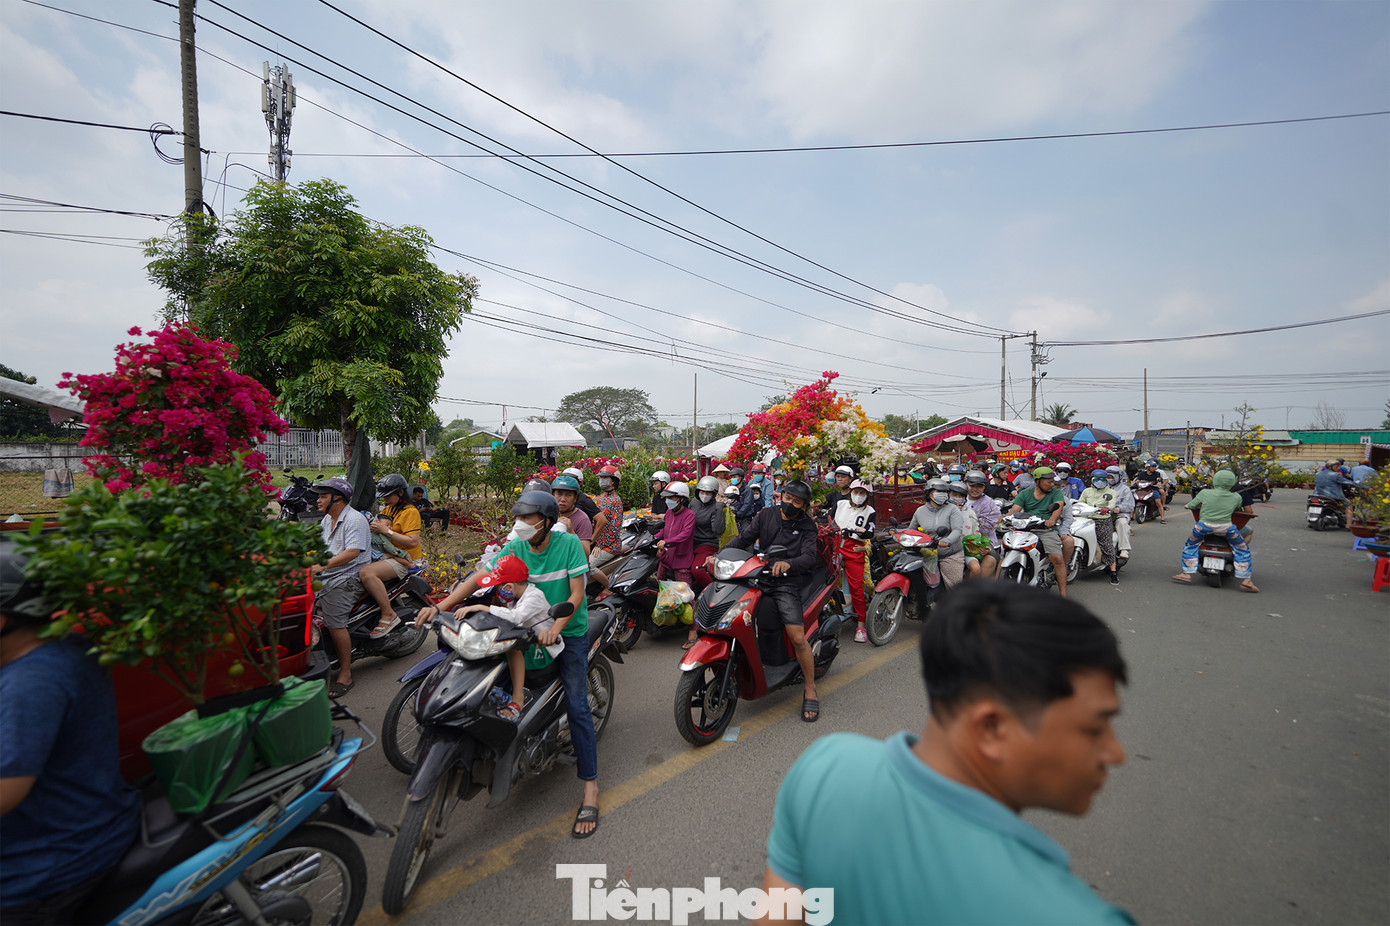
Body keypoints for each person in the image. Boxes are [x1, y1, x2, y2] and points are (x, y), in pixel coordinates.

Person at [758, 582, 1131, 926]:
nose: (1116, 753)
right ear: (991, 728)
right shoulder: (1072, 914)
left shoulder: (825, 769)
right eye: (1095, 729)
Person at [418, 490, 601, 837]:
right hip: (522, 627)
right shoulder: (516, 546)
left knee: (578, 706)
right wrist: (440, 606)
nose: (519, 525)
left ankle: (590, 786)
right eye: (517, 518)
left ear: (545, 522)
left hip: (567, 631)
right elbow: (478, 578)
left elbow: (577, 594)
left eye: (527, 518)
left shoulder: (568, 546)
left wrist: (557, 627)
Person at [0, 553, 142, 926]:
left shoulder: (30, 685)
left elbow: (6, 791)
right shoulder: (62, 647)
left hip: (42, 868)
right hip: (89, 825)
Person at [710, 479, 822, 722]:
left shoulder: (807, 526)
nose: (790, 503)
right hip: (759, 576)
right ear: (781, 495)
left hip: (787, 583)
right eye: (788, 497)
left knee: (798, 637)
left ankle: (810, 687)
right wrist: (719, 555)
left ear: (804, 506)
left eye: (797, 502)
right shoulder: (765, 515)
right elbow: (744, 539)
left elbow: (809, 556)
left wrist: (788, 564)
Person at [450, 554, 559, 721]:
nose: (497, 589)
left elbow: (515, 617)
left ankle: (517, 699)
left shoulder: (534, 597)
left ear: (508, 586)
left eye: (499, 585)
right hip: (526, 641)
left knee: (512, 648)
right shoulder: (513, 597)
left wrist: (481, 607)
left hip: (542, 648)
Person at [308, 477, 371, 697]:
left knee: (334, 623)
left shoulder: (355, 520)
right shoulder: (327, 519)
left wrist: (322, 565)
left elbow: (353, 552)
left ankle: (345, 673)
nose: (318, 500)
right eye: (319, 496)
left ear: (338, 499)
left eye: (323, 496)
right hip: (327, 574)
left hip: (348, 577)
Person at [1173, 469, 1258, 593]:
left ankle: (1187, 573)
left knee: (1190, 545)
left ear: (1215, 480)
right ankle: (1246, 580)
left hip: (1203, 527)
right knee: (1242, 548)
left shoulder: (1204, 493)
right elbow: (1239, 509)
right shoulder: (1236, 497)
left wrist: (1189, 506)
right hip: (1226, 528)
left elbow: (1191, 505)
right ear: (1232, 482)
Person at [361, 473, 422, 639]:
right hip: (387, 554)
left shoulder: (410, 512)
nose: (385, 499)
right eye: (384, 496)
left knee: (366, 573)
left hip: (405, 559)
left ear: (401, 493)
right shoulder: (389, 509)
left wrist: (386, 531)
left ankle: (388, 614)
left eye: (388, 496)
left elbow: (412, 541)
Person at [1007, 467, 1070, 599]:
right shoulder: (1025, 493)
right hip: (1026, 528)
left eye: (1053, 482)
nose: (1052, 484)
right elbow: (1015, 510)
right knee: (1006, 552)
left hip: (1045, 529)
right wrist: (1005, 520)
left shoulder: (1056, 493)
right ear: (1037, 482)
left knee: (1057, 559)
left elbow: (1058, 509)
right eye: (1049, 482)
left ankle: (1063, 595)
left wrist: (1051, 520)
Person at [832, 479, 876, 642]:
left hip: (854, 548)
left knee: (856, 588)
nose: (858, 495)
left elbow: (870, 532)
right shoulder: (840, 504)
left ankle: (861, 625)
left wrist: (863, 532)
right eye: (855, 492)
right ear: (850, 492)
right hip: (836, 545)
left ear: (867, 495)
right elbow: (827, 519)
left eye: (862, 493)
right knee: (827, 582)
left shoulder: (870, 511)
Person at [909, 478, 965, 590]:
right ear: (929, 493)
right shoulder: (920, 511)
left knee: (955, 590)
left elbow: (957, 530)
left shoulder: (953, 509)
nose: (942, 494)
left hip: (949, 554)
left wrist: (947, 541)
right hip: (927, 554)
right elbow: (911, 530)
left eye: (944, 492)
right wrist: (897, 532)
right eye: (939, 491)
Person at [1078, 469, 1121, 585]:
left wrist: (1107, 509)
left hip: (1102, 520)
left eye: (1102, 479)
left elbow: (1112, 504)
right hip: (1086, 519)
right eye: (1096, 479)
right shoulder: (1086, 491)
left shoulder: (1110, 492)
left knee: (1106, 545)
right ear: (1092, 480)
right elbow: (1080, 503)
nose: (1099, 481)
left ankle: (1113, 573)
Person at [689, 476, 725, 595]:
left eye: (708, 493)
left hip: (707, 544)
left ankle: (716, 593)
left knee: (697, 570)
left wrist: (719, 510)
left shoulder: (716, 507)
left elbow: (718, 530)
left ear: (714, 494)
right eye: (702, 492)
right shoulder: (694, 503)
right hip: (690, 543)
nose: (704, 495)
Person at [962, 471, 1001, 579]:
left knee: (990, 561)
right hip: (957, 541)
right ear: (965, 484)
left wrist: (981, 545)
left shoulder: (989, 503)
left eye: (979, 486)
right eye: (972, 485)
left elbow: (986, 527)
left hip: (982, 542)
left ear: (984, 487)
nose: (975, 489)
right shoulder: (958, 497)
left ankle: (976, 587)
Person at [588, 465, 625, 571]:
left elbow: (614, 528)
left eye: (605, 477)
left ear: (613, 481)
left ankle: (605, 582)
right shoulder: (601, 498)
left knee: (588, 566)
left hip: (610, 545)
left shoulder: (616, 501)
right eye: (601, 477)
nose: (601, 480)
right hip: (597, 542)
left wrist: (600, 545)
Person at [552, 474, 594, 555]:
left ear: (575, 498)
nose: (563, 499)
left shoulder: (582, 520)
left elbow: (585, 553)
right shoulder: (549, 514)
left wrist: (571, 531)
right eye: (559, 494)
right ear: (553, 495)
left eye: (568, 495)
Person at [1106, 465, 1135, 564]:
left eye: (1112, 477)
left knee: (1122, 523)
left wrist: (1119, 508)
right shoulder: (1102, 487)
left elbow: (1129, 505)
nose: (1110, 479)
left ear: (1118, 476)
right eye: (1108, 477)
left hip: (1120, 514)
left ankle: (1124, 549)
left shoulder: (1125, 489)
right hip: (1102, 514)